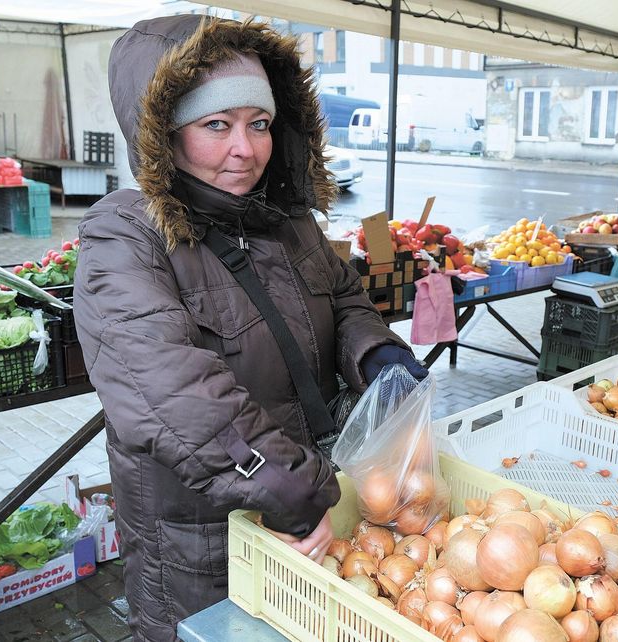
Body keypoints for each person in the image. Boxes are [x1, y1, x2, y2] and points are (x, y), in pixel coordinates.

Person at [73, 15, 428, 641]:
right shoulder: (125, 236)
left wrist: (377, 356)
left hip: (305, 512)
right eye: (217, 125)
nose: (247, 148)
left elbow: (345, 300)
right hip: (202, 539)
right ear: (163, 134)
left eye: (259, 123)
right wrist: (292, 489)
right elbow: (171, 395)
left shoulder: (285, 221)